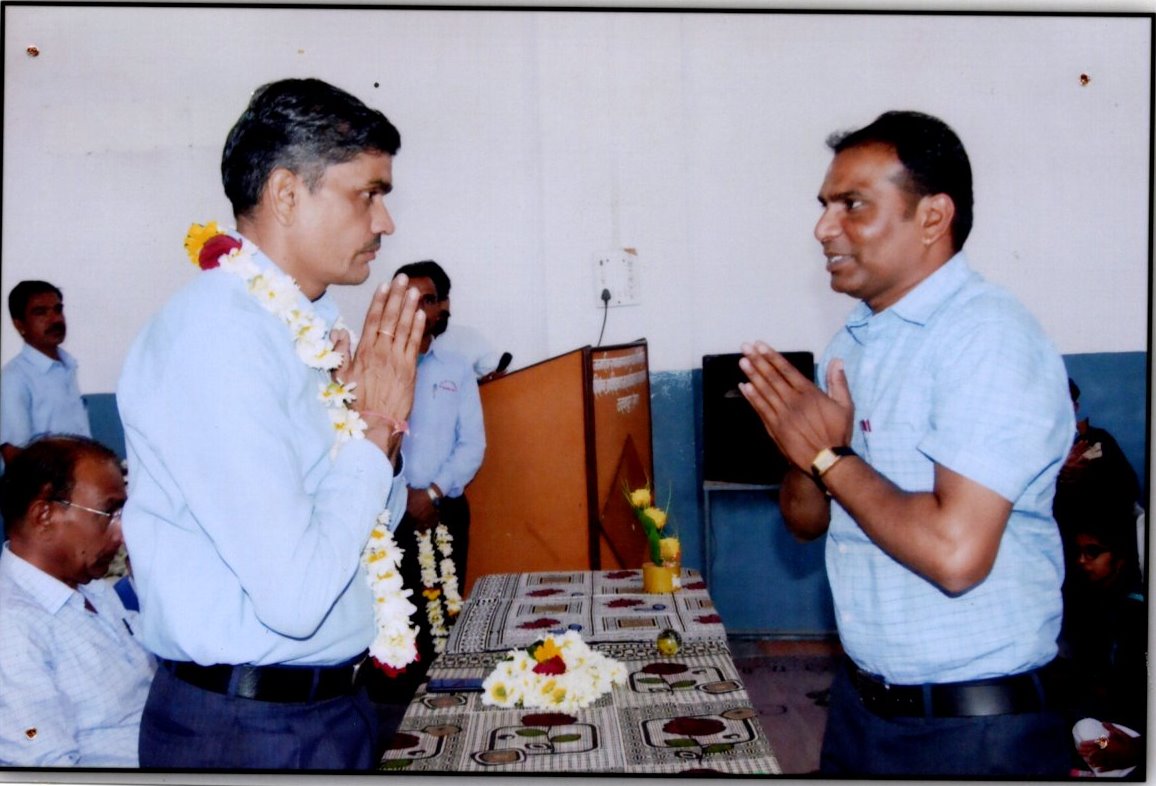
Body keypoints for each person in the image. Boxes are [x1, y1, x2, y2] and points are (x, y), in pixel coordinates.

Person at [738, 111, 1075, 777]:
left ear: (932, 217)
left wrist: (830, 457)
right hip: (865, 711)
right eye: (824, 206)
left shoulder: (987, 337)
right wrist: (807, 457)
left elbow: (955, 555)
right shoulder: (854, 341)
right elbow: (805, 521)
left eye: (852, 205)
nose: (823, 228)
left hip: (974, 732)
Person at [116, 78, 426, 769]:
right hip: (247, 731)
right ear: (287, 194)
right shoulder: (219, 339)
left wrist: (373, 436)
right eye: (368, 194)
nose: (385, 222)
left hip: (322, 710)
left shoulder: (301, 329)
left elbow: (372, 520)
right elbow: (295, 596)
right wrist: (374, 429)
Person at [360, 260, 485, 736]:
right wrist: (401, 495)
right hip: (381, 517)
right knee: (388, 627)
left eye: (427, 300)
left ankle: (439, 731)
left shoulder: (456, 369)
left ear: (443, 307)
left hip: (441, 511)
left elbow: (472, 445)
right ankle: (390, 735)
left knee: (439, 621)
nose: (416, 310)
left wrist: (430, 492)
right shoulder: (372, 365)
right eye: (407, 299)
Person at [0, 435, 154, 767]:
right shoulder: (12, 629)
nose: (122, 532)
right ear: (44, 515)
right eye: (108, 512)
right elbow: (47, 768)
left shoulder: (90, 586)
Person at [1057, 508, 1146, 777]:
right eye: (1078, 553)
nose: (1081, 561)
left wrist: (1140, 748)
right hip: (1103, 732)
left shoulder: (1137, 613)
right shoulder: (1088, 606)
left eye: (1093, 552)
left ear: (1120, 557)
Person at [1, 281, 91, 466]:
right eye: (40, 312)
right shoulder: (14, 378)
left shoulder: (67, 366)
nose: (55, 319)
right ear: (19, 325)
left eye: (58, 310)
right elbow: (15, 458)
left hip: (83, 474)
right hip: (50, 481)